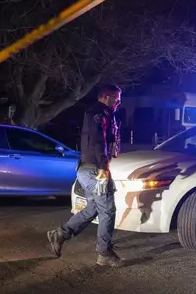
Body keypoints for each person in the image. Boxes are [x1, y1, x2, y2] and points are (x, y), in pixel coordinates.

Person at [47, 84, 123, 267]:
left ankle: (61, 234)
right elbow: (98, 141)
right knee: (108, 210)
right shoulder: (98, 113)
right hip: (95, 170)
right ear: (105, 96)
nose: (118, 102)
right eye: (116, 97)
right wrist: (104, 168)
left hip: (88, 169)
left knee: (93, 208)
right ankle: (104, 253)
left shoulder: (104, 114)